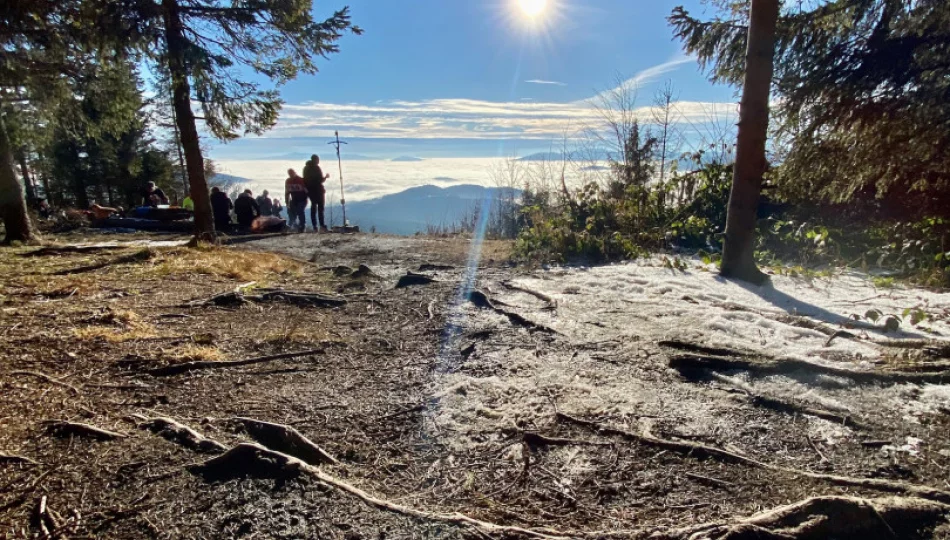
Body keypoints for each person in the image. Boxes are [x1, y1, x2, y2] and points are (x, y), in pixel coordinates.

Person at [303, 154, 329, 231]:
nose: (318, 161)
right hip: (318, 191)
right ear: (315, 160)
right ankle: (322, 225)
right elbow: (320, 180)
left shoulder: (305, 168)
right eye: (318, 159)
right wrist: (326, 177)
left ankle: (315, 226)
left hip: (310, 191)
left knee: (313, 208)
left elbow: (305, 180)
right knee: (320, 209)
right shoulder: (316, 168)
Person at [284, 168, 308, 233]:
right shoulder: (288, 181)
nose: (291, 175)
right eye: (289, 174)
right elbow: (287, 192)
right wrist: (287, 202)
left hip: (302, 199)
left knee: (300, 211)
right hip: (294, 200)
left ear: (295, 172)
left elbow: (306, 190)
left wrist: (307, 197)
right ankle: (295, 226)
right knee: (292, 213)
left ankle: (302, 226)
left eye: (292, 173)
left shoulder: (300, 180)